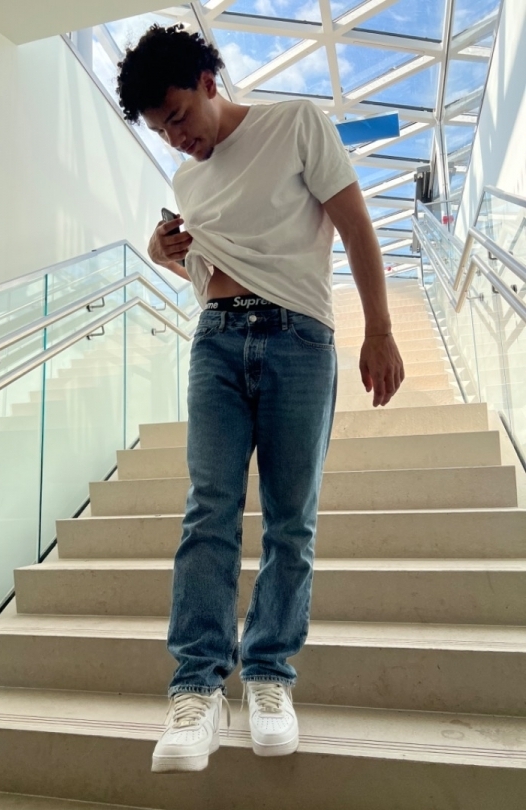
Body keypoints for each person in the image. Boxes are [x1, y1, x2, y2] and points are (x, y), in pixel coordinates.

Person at [117, 24, 404, 774]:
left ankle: (269, 675)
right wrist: (163, 250)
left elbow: (357, 228)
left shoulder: (295, 124)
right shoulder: (187, 182)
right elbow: (202, 260)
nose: (176, 138)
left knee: (290, 519)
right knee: (207, 511)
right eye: (160, 129)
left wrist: (379, 330)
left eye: (179, 116)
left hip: (298, 338)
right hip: (216, 338)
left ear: (209, 81)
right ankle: (197, 689)